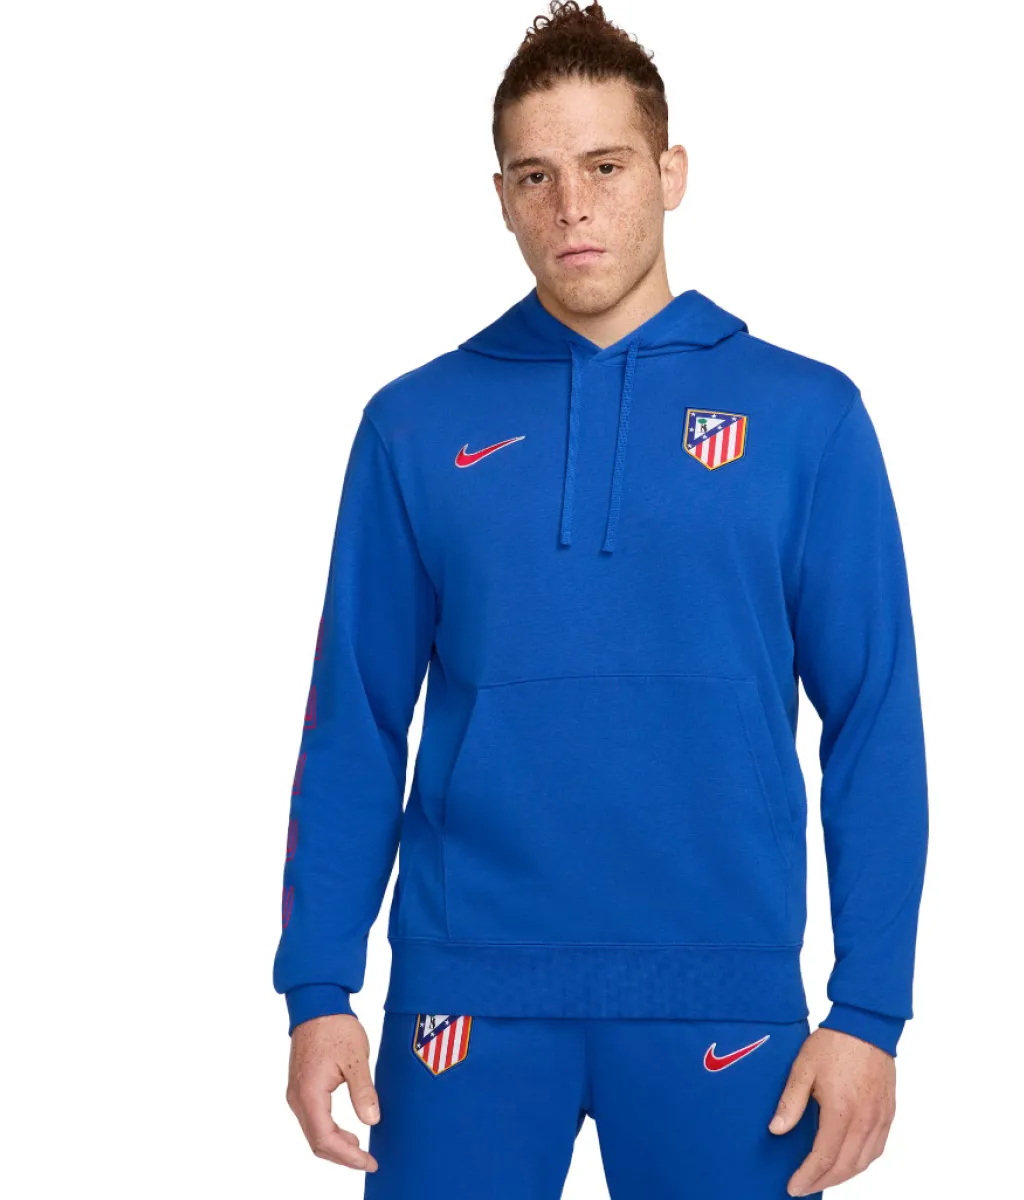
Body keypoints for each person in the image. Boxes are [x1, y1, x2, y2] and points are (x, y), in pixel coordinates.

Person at [273, 3, 928, 1197]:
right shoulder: (414, 424)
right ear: (502, 196)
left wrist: (870, 1009)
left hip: (724, 996)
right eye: (537, 175)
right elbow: (353, 719)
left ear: (670, 174)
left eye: (606, 166)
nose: (571, 206)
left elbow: (874, 721)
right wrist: (318, 988)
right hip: (463, 994)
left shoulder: (809, 418)